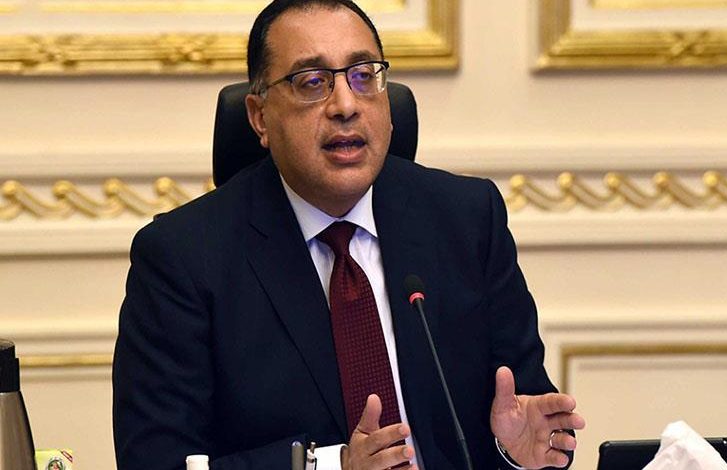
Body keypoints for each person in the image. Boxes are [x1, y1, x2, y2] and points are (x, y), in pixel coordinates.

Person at [112, 1, 585, 469]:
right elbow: (156, 462)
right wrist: (334, 465)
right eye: (311, 82)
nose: (345, 105)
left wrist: (515, 454)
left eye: (363, 76)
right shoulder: (182, 258)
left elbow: (521, 410)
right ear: (259, 116)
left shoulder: (466, 219)